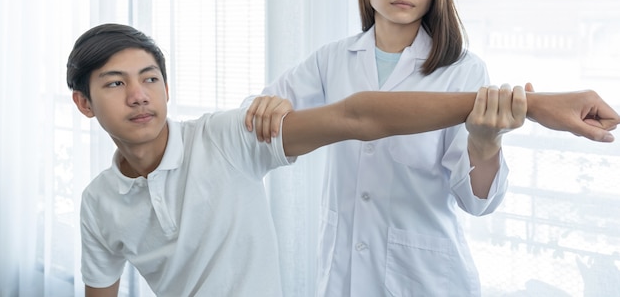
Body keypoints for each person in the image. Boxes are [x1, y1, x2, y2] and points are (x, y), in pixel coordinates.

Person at [68, 23, 618, 297]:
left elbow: (359, 116)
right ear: (85, 104)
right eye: (116, 84)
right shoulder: (97, 204)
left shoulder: (223, 140)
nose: (139, 95)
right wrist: (272, 103)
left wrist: (540, 105)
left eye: (150, 79)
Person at [245, 0, 620, 296]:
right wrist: (267, 105)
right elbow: (253, 119)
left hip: (424, 279)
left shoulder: (463, 69)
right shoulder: (332, 60)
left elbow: (476, 203)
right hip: (343, 273)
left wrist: (485, 142)